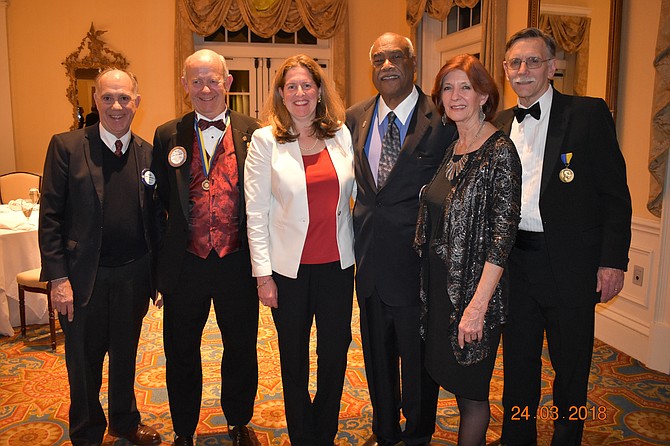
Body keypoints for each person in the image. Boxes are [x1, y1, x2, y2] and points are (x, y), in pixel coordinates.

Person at [497, 28, 632, 445]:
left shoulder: (587, 114)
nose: (523, 70)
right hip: (515, 264)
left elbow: (615, 194)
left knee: (571, 366)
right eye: (515, 63)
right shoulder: (499, 123)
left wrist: (612, 261)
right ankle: (518, 437)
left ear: (553, 68)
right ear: (505, 70)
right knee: (518, 363)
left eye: (533, 61)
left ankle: (567, 437)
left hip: (570, 266)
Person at [39, 68, 161, 446]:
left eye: (124, 98)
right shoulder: (67, 146)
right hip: (81, 279)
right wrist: (58, 279)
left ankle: (124, 421)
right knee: (84, 361)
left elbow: (155, 219)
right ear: (96, 100)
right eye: (108, 97)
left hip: (133, 275)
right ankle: (88, 431)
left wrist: (156, 279)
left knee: (125, 354)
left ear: (136, 103)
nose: (116, 106)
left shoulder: (147, 152)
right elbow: (51, 217)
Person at [345, 32, 456, 446]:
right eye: (378, 59)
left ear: (413, 64)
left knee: (419, 362)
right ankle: (384, 430)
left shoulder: (443, 121)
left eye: (395, 57)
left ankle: (418, 434)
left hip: (418, 270)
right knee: (377, 359)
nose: (386, 65)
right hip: (370, 265)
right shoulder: (354, 117)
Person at [244, 54, 356, 446]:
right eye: (291, 86)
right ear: (280, 94)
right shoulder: (264, 141)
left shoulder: (341, 134)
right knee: (293, 357)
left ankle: (323, 431)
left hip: (337, 267)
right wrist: (263, 275)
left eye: (307, 85)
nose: (300, 93)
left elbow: (358, 195)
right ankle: (301, 434)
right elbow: (255, 212)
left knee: (334, 355)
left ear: (319, 90)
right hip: (287, 271)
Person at [151, 49, 260, 446]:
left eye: (212, 79)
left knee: (241, 347)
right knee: (180, 351)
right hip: (186, 264)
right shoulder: (167, 134)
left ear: (228, 83)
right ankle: (183, 429)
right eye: (195, 81)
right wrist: (158, 274)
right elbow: (158, 205)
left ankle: (238, 420)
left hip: (237, 261)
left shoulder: (254, 131)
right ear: (184, 86)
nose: (204, 88)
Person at [414, 54, 521, 446]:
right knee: (456, 387)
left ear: (483, 95)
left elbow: (502, 237)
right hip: (442, 289)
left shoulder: (499, 151)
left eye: (465, 87)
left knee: (472, 394)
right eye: (447, 87)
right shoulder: (455, 146)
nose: (455, 95)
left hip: (475, 294)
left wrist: (476, 308)